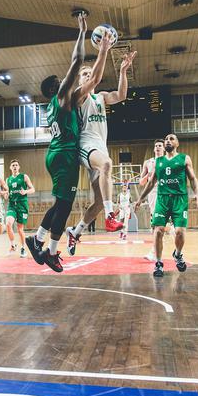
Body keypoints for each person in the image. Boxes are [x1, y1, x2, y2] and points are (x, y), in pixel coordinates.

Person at [27, 13, 110, 272]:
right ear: (56, 87)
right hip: (64, 155)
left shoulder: (60, 103)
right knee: (64, 205)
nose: (65, 80)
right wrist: (82, 32)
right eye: (59, 81)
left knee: (61, 203)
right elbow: (76, 61)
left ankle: (38, 240)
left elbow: (94, 80)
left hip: (56, 154)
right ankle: (49, 250)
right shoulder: (63, 97)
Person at [66, 48, 136, 254]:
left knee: (97, 202)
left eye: (90, 73)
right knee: (107, 164)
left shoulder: (101, 98)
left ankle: (75, 232)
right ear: (80, 81)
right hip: (86, 145)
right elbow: (93, 82)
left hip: (100, 147)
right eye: (85, 74)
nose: (89, 76)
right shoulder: (78, 96)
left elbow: (121, 95)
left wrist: (123, 71)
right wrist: (103, 50)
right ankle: (110, 216)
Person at [134, 133, 198, 278]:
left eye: (171, 139)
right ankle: (158, 263)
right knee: (158, 230)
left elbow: (193, 178)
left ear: (177, 143)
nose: (168, 141)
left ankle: (177, 254)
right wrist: (140, 198)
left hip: (179, 199)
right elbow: (151, 183)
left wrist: (197, 194)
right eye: (166, 139)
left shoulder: (184, 158)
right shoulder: (158, 162)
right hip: (162, 200)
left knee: (180, 232)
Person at [139, 140, 166, 260]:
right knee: (155, 225)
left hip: (166, 193)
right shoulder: (148, 162)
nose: (158, 147)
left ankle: (155, 251)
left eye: (160, 146)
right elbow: (141, 182)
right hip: (153, 193)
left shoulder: (169, 161)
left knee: (159, 225)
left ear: (164, 148)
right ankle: (155, 251)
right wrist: (149, 174)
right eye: (156, 146)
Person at [3, 160, 34, 258]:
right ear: (10, 168)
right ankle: (13, 245)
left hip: (22, 205)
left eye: (16, 165)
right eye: (13, 165)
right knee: (8, 223)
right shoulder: (8, 180)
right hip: (12, 205)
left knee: (20, 229)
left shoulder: (24, 177)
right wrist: (5, 195)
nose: (15, 166)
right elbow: (6, 195)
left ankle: (23, 248)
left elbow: (33, 189)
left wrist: (25, 191)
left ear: (19, 167)